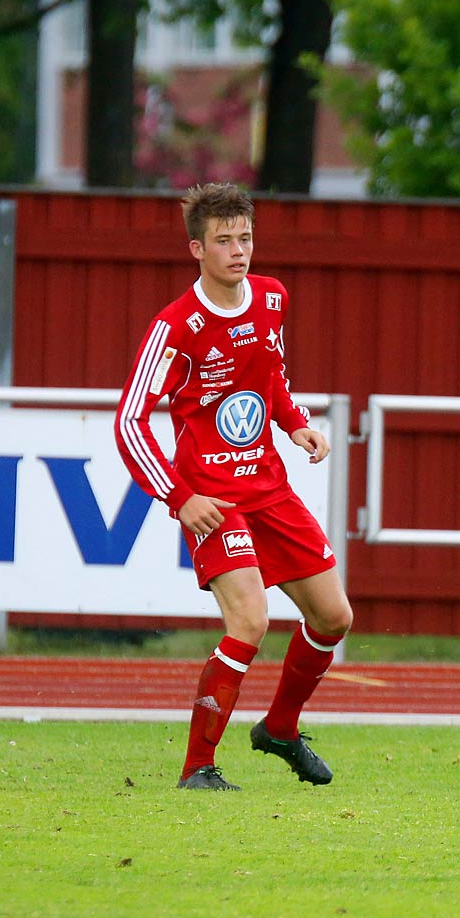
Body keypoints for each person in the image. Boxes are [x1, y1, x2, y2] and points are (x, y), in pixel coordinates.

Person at [114, 182, 353, 791]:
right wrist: (179, 497)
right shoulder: (176, 327)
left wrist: (295, 423)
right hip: (215, 500)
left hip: (270, 487)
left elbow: (270, 378)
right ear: (197, 249)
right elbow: (129, 420)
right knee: (249, 621)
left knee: (333, 617)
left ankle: (279, 728)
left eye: (245, 238)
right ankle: (198, 768)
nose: (238, 251)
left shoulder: (272, 299)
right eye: (223, 241)